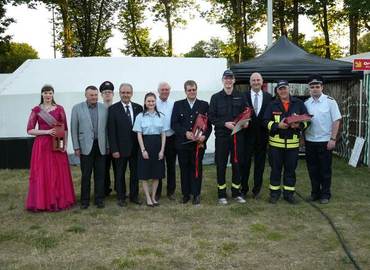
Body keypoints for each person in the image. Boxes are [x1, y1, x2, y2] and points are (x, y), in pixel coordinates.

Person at [26, 85, 76, 211]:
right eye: (45, 93)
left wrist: (64, 144)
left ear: (53, 94)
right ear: (42, 94)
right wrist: (46, 132)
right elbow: (30, 130)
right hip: (41, 145)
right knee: (42, 172)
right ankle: (42, 201)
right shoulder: (36, 110)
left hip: (57, 142)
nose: (48, 95)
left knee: (58, 172)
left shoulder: (59, 109)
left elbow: (64, 128)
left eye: (50, 93)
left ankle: (59, 200)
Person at [263, 80, 309, 204]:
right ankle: (274, 194)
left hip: (293, 145)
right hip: (275, 145)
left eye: (285, 88)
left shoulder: (298, 103)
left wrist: (299, 125)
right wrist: (278, 125)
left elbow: (307, 120)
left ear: (289, 89)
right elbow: (265, 121)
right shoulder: (272, 104)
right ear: (277, 91)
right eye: (280, 89)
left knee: (290, 170)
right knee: (275, 170)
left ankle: (289, 194)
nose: (283, 91)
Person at [209, 70, 248, 205]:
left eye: (230, 78)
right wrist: (224, 124)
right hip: (222, 137)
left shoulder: (241, 96)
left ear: (234, 80)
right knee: (221, 165)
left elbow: (246, 113)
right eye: (226, 78)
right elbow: (211, 117)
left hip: (238, 136)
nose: (228, 81)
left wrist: (246, 122)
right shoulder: (215, 97)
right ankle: (222, 194)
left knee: (237, 164)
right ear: (222, 80)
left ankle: (236, 193)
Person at [171, 80, 212, 205]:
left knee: (196, 169)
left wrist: (204, 136)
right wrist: (185, 133)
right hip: (183, 143)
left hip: (197, 145)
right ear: (185, 91)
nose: (192, 92)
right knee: (184, 169)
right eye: (189, 90)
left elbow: (209, 125)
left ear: (196, 89)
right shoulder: (178, 105)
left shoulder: (204, 105)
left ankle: (196, 194)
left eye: (194, 89)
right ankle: (185, 194)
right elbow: (174, 123)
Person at [304, 74, 341, 204]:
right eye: (312, 87)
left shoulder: (330, 102)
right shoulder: (306, 103)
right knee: (312, 169)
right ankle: (315, 193)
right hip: (310, 141)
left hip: (325, 141)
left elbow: (336, 120)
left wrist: (333, 138)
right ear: (309, 88)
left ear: (322, 87)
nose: (315, 89)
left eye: (317, 86)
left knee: (325, 169)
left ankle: (325, 194)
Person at [71, 85, 109, 209]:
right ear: (86, 95)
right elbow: (73, 129)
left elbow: (107, 129)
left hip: (101, 146)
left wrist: (108, 145)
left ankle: (99, 199)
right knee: (86, 174)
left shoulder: (104, 108)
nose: (94, 97)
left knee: (100, 174)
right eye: (91, 95)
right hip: (85, 147)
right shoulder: (77, 108)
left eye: (95, 95)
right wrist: (76, 146)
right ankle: (85, 200)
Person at [108, 83, 143, 207]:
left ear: (131, 94)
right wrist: (114, 149)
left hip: (135, 148)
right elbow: (111, 131)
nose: (125, 95)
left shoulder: (139, 108)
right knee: (120, 174)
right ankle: (121, 197)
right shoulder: (113, 109)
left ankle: (134, 196)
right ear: (119, 93)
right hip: (120, 149)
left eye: (128, 92)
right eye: (123, 92)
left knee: (135, 174)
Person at [241, 72, 272, 199]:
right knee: (245, 164)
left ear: (262, 81)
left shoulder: (269, 97)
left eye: (258, 80)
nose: (256, 82)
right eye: (253, 80)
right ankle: (243, 189)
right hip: (246, 136)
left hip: (262, 136)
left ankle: (256, 190)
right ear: (250, 82)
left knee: (259, 165)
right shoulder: (243, 96)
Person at [133, 92, 166, 207]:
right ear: (145, 103)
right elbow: (139, 134)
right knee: (145, 174)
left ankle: (153, 197)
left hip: (157, 146)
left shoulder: (161, 116)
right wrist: (143, 150)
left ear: (155, 102)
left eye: (153, 101)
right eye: (149, 101)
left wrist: (162, 150)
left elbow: (163, 134)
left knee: (157, 174)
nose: (151, 103)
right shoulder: (140, 116)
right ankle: (147, 198)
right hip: (145, 146)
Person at [156, 82, 177, 201]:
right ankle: (157, 192)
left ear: (169, 91)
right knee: (159, 166)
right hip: (158, 138)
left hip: (171, 137)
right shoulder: (153, 103)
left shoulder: (174, 103)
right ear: (158, 91)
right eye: (162, 89)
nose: (165, 91)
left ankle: (171, 191)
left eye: (167, 89)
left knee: (171, 166)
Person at [99, 81, 116, 196]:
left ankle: (119, 189)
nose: (107, 94)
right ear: (101, 94)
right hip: (103, 144)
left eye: (109, 92)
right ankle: (105, 189)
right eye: (105, 92)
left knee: (117, 169)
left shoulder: (117, 108)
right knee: (103, 169)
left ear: (113, 94)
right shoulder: (99, 109)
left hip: (116, 145)